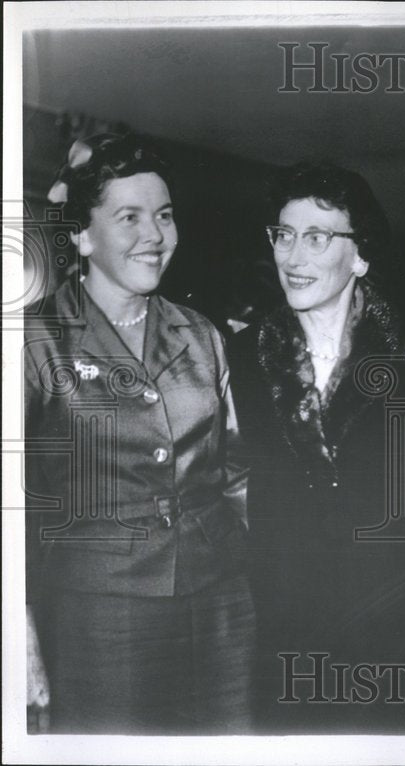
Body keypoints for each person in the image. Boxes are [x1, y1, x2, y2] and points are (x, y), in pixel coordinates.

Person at [24, 133, 254, 734]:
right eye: (130, 217)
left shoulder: (201, 334)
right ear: (82, 234)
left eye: (165, 215)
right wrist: (17, 629)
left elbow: (236, 472)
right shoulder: (36, 340)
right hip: (98, 615)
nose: (154, 234)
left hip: (221, 604)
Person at [228, 162, 405, 733]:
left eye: (317, 237)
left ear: (360, 254)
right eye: (284, 235)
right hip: (288, 629)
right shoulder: (240, 359)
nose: (293, 256)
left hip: (399, 634)